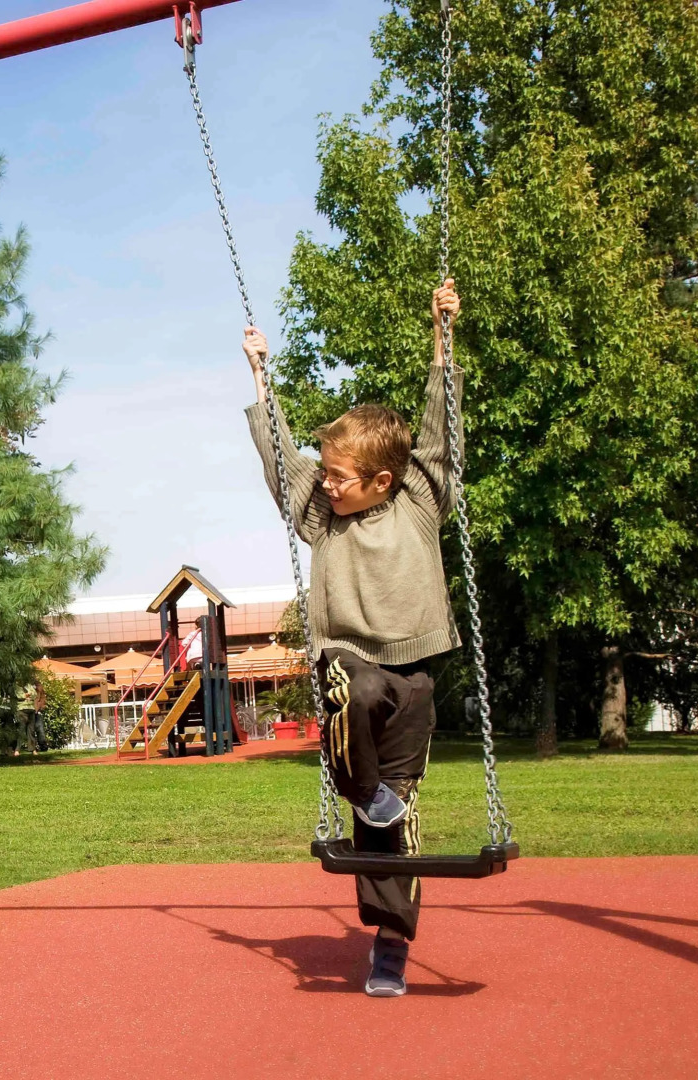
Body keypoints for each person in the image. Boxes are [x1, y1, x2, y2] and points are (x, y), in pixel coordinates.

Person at [241, 279, 463, 998]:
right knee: (358, 690)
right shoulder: (320, 515)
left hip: (417, 673)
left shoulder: (423, 500)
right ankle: (363, 788)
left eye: (340, 477)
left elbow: (443, 431)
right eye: (326, 474)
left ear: (383, 480)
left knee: (393, 818)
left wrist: (442, 339)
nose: (327, 485)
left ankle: (390, 944)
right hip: (347, 663)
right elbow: (281, 457)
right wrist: (261, 377)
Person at [14, 680, 47, 755]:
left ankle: (33, 749)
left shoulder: (28, 685)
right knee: (21, 730)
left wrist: (27, 696)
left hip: (31, 709)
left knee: (31, 730)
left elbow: (34, 694)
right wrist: (25, 696)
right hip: (21, 710)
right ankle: (17, 750)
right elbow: (18, 696)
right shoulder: (16, 687)